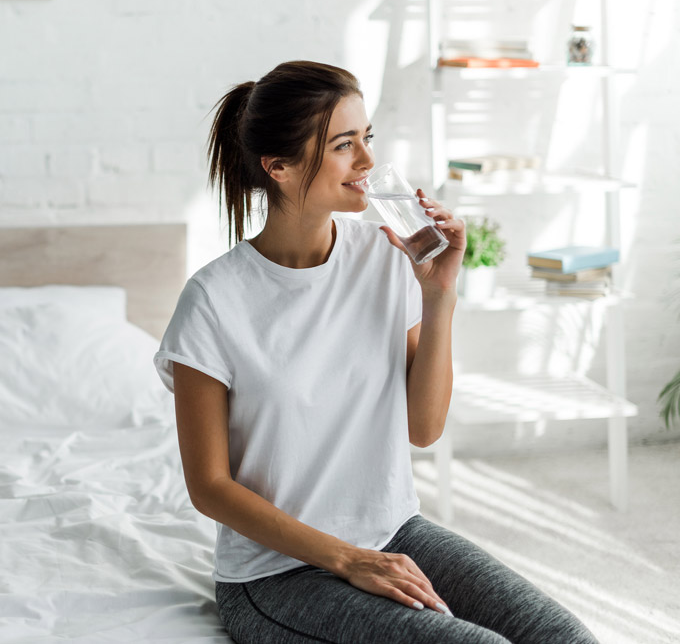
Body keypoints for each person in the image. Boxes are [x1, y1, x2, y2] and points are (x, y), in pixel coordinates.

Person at [152, 60, 599, 643]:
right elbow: (208, 485)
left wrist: (439, 296)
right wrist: (345, 559)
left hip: (393, 534)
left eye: (367, 139)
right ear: (278, 167)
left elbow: (424, 427)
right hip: (275, 576)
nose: (366, 162)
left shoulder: (387, 256)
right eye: (344, 145)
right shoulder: (214, 299)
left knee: (566, 639)